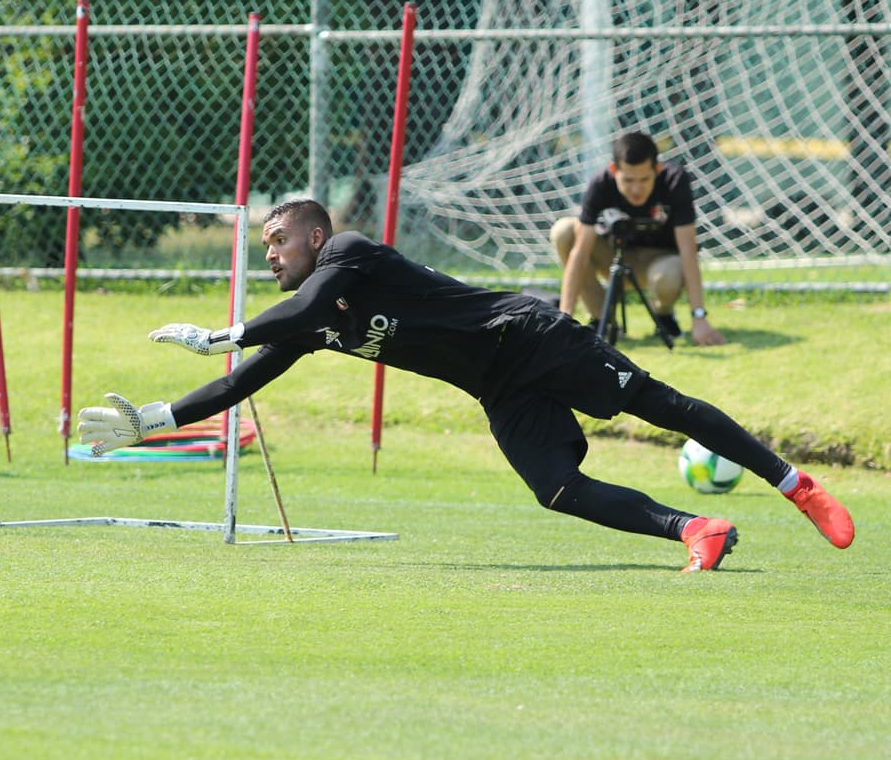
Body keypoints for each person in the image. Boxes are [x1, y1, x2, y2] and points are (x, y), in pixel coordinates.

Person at [78, 199, 854, 572]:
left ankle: (797, 484)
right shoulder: (305, 322)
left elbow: (304, 305)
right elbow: (245, 380)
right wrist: (153, 419)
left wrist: (223, 329)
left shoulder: (348, 253)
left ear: (316, 235)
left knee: (658, 404)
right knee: (554, 488)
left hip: (530, 335)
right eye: (267, 247)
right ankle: (695, 529)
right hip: (499, 388)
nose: (271, 254)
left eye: (278, 241)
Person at [551, 132, 726, 346]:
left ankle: (663, 315)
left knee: (669, 275)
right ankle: (602, 320)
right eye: (628, 180)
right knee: (564, 231)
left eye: (644, 179)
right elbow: (580, 252)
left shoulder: (675, 180)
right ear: (614, 170)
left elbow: (688, 249)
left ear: (657, 169)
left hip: (659, 264)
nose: (636, 189)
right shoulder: (601, 183)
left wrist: (699, 317)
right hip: (613, 257)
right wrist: (564, 318)